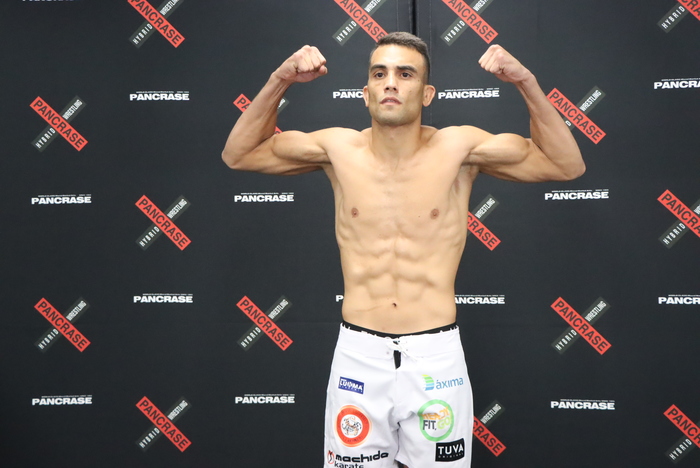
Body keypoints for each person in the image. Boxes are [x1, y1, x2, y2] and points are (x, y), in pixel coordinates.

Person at [222, 32, 584, 468]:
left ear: (427, 94)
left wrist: (525, 81)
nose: (391, 82)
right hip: (359, 356)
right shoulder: (337, 149)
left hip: (435, 358)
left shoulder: (459, 149)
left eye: (405, 74)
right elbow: (239, 154)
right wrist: (281, 78)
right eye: (380, 74)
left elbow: (566, 164)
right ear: (366, 93)